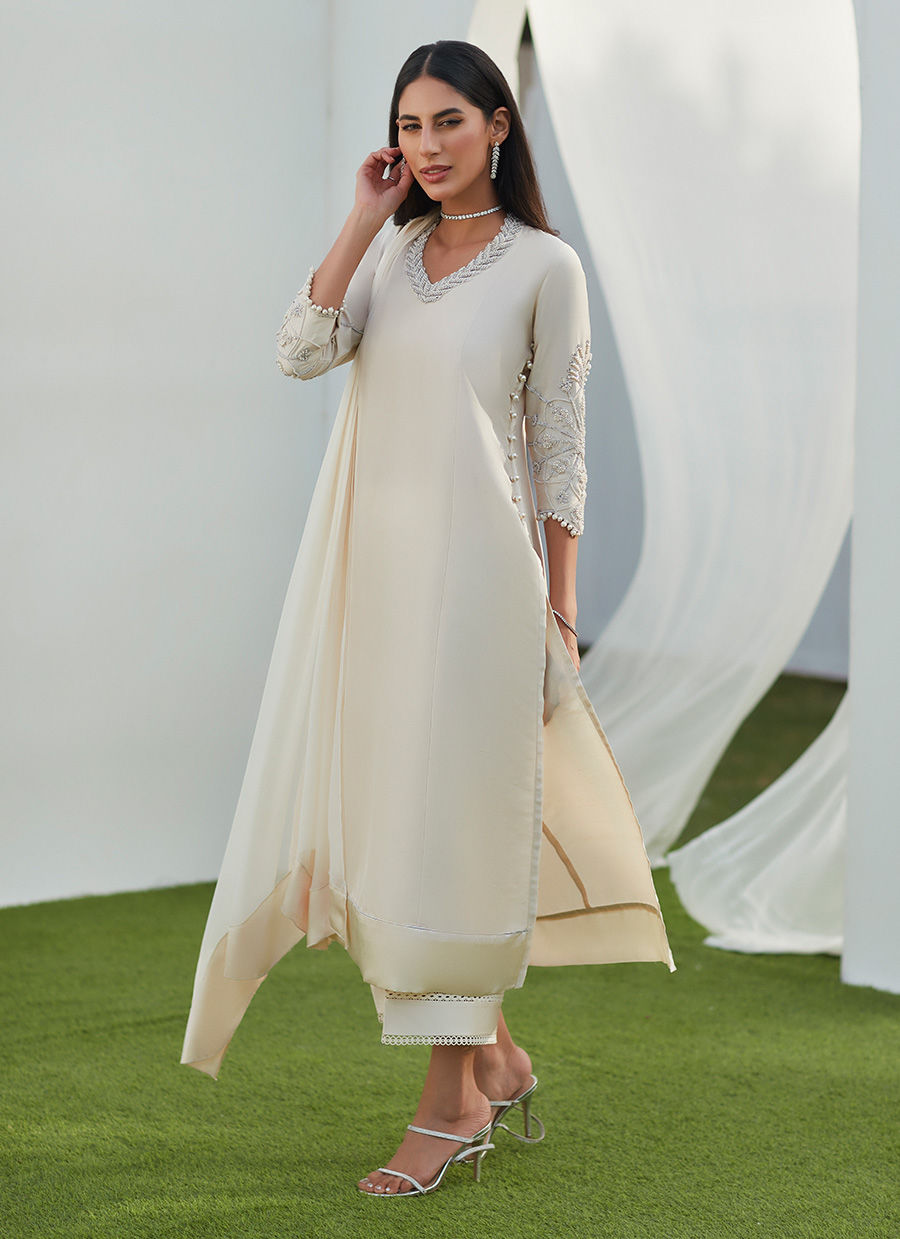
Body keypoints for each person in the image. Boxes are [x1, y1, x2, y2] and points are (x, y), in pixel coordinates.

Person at [180, 39, 674, 1199]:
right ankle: (494, 1057)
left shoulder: (546, 266)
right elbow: (301, 351)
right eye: (409, 126)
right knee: (389, 820)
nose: (428, 145)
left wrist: (560, 607)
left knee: (448, 825)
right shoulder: (393, 255)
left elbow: (561, 447)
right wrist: (365, 218)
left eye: (449, 120)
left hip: (482, 589)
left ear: (499, 125)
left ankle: (451, 1103)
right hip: (373, 581)